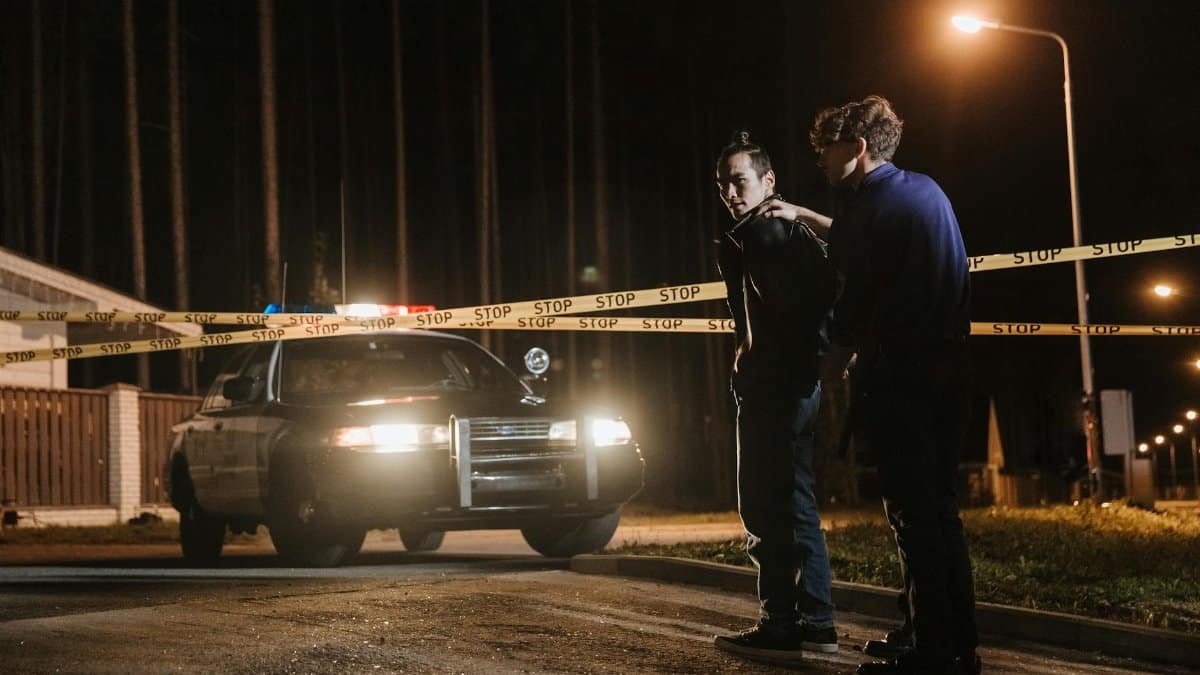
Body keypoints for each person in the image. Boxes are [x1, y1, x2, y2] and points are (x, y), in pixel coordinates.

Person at [764, 96, 981, 675]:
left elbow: (851, 305)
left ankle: (931, 654)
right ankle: (955, 643)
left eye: (827, 148)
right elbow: (860, 240)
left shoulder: (869, 207)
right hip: (952, 371)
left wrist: (828, 364)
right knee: (940, 510)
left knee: (912, 515)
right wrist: (804, 214)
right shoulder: (921, 192)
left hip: (904, 379)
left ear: (857, 147)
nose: (820, 159)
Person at [710, 131, 840, 665]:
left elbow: (794, 312)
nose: (730, 193)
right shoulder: (775, 232)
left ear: (768, 181)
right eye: (723, 185)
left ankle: (786, 623)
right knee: (792, 501)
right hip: (790, 384)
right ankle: (813, 622)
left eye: (739, 181)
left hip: (777, 389)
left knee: (768, 504)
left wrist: (764, 368)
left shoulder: (767, 234)